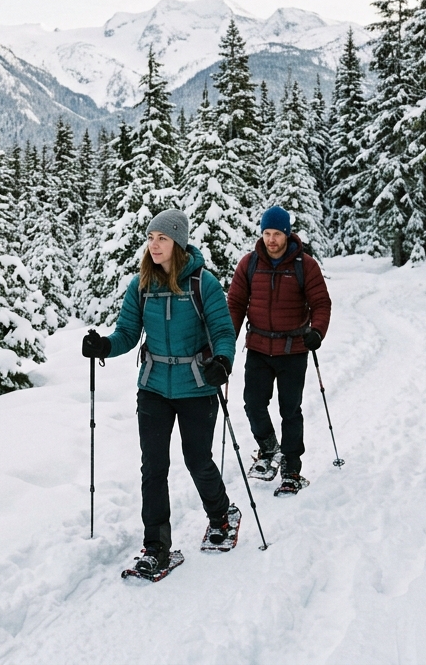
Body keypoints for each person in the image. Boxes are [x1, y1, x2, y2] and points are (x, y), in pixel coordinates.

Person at [81, 208, 239, 576]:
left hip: (197, 385)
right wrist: (103, 346)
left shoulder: (203, 283)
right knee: (153, 467)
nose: (154, 245)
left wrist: (223, 361)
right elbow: (126, 334)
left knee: (197, 459)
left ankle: (220, 515)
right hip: (153, 386)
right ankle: (156, 547)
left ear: (178, 243)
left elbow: (223, 331)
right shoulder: (141, 285)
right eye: (151, 238)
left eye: (162, 238)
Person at [227, 205, 332, 496]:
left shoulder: (304, 265)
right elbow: (235, 305)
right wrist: (225, 342)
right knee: (253, 404)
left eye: (277, 234)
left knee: (290, 410)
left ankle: (291, 467)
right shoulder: (249, 264)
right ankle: (269, 448)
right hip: (259, 347)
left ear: (287, 234)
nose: (271, 240)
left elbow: (322, 303)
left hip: (293, 349)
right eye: (267, 233)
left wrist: (317, 331)